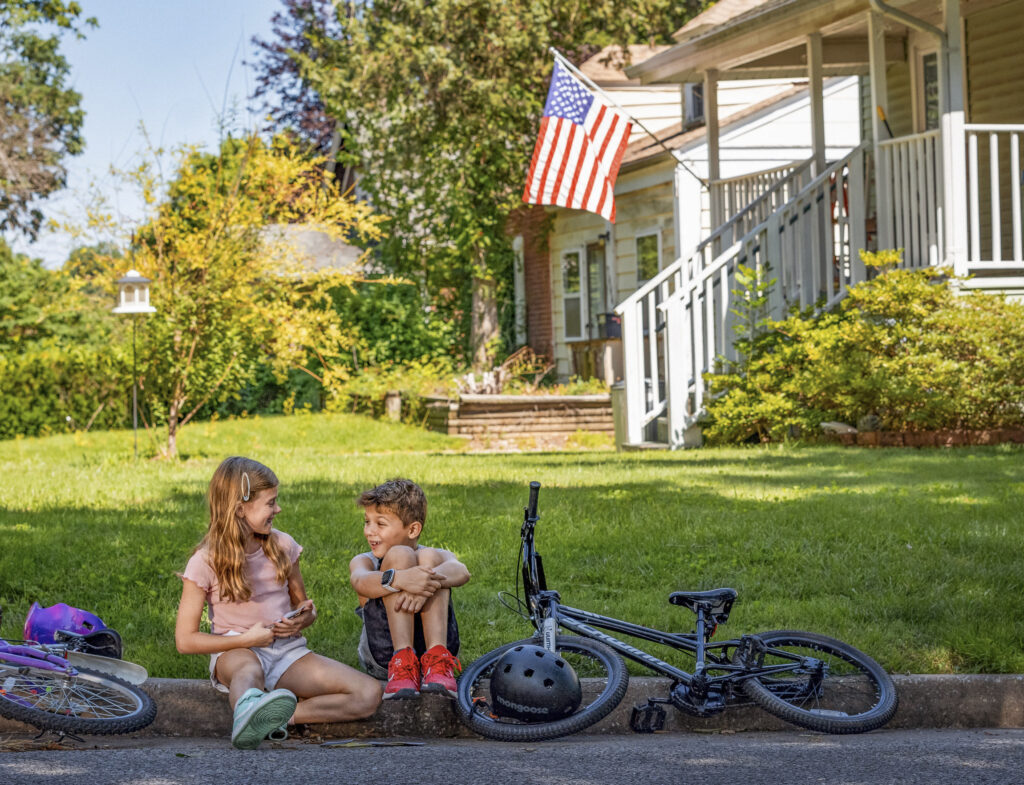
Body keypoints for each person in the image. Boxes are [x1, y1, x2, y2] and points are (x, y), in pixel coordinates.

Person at [175, 456, 381, 749]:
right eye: (270, 503)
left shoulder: (283, 546)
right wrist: (246, 638)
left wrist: (303, 618)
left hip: (285, 653)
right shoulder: (205, 561)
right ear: (239, 508)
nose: (278, 509)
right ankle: (248, 710)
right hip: (236, 649)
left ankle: (276, 718)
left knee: (367, 693)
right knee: (250, 671)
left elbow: (305, 607)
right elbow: (185, 641)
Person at [350, 478, 470, 699]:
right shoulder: (364, 560)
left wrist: (425, 582)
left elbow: (461, 571)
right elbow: (359, 580)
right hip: (384, 656)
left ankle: (437, 660)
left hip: (433, 651)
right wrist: (401, 579)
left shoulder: (431, 557)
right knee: (400, 555)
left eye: (380, 523)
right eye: (367, 522)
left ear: (413, 529)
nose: (369, 531)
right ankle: (402, 662)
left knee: (430, 558)